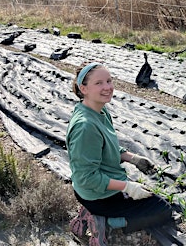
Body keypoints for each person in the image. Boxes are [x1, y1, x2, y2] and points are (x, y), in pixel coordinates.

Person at [66, 62, 173, 244]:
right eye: (99, 83)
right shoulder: (85, 127)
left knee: (151, 200)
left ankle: (94, 212)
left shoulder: (99, 110)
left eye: (109, 81)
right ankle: (104, 222)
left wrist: (133, 158)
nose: (107, 87)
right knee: (162, 210)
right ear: (83, 88)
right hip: (96, 194)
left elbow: (107, 148)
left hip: (100, 187)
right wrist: (127, 187)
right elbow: (86, 177)